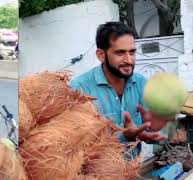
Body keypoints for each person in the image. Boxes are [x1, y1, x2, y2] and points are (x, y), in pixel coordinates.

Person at [70, 22, 174, 157]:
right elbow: (77, 142)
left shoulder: (141, 83)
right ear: (101, 55)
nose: (129, 60)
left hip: (133, 170)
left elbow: (154, 130)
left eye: (132, 52)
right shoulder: (79, 88)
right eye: (120, 53)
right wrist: (124, 136)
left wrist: (153, 132)